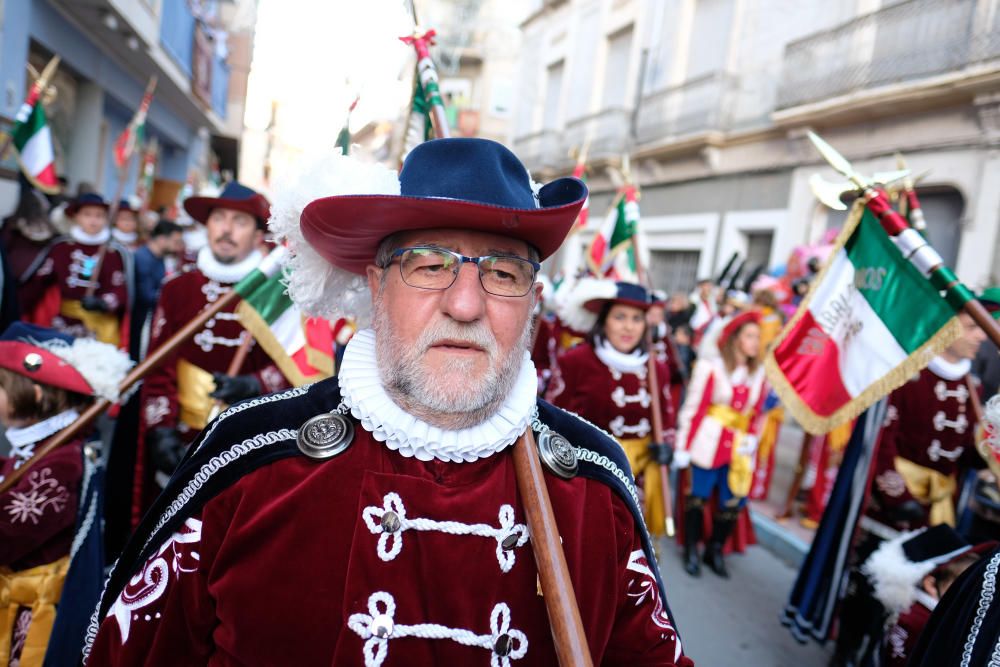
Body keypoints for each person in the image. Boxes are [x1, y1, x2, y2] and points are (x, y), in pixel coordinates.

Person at [84, 138, 691, 666]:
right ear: (375, 286)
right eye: (429, 265)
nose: (465, 304)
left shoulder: (594, 488)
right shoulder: (251, 462)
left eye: (502, 274)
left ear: (533, 301)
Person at [131, 182, 291, 521]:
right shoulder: (177, 288)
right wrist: (160, 429)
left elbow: (300, 364)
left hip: (248, 440)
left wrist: (256, 384)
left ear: (257, 233)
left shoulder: (278, 292)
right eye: (219, 218)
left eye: (240, 221)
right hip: (180, 437)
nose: (227, 229)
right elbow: (158, 367)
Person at [0, 322, 132, 666]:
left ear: (36, 392)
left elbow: (8, 534)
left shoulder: (62, 462)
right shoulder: (34, 448)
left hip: (31, 619)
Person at [546, 279, 676, 538]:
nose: (629, 326)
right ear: (604, 319)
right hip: (589, 478)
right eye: (620, 317)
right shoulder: (575, 361)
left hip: (639, 479)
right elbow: (551, 422)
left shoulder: (656, 367)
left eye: (637, 319)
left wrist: (667, 447)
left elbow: (667, 415)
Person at [673, 311, 768, 578]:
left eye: (757, 337)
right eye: (750, 336)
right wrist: (682, 446)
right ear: (735, 338)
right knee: (698, 498)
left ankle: (714, 549)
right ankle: (691, 548)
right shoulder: (709, 367)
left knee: (731, 502)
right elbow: (694, 408)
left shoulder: (758, 373)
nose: (755, 342)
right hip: (707, 442)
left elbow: (756, 412)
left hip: (739, 449)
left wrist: (752, 439)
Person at [21, 193, 132, 347]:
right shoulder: (61, 248)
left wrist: (103, 303)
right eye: (87, 215)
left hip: (101, 326)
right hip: (64, 324)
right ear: (76, 217)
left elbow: (121, 289)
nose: (93, 221)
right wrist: (19, 307)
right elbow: (39, 281)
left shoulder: (114, 252)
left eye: (99, 216)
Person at [130, 220, 184, 359]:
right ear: (161, 239)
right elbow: (146, 295)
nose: (177, 246)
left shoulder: (158, 257)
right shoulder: (143, 258)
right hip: (139, 319)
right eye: (175, 241)